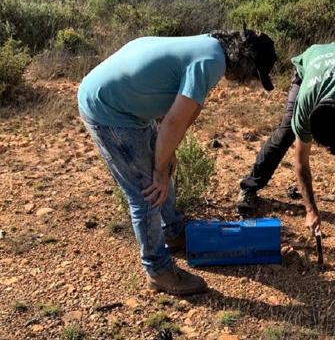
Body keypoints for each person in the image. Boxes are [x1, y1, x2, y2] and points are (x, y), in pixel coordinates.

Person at [78, 29, 277, 295]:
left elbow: (181, 109)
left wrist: (167, 154)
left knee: (162, 171)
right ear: (247, 62)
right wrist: (159, 170)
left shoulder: (210, 46)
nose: (248, 81)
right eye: (254, 75)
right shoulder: (210, 62)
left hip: (126, 103)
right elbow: (173, 122)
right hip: (109, 110)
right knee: (147, 192)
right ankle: (158, 271)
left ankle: (172, 231)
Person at [236, 42, 335, 234]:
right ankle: (250, 186)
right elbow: (301, 163)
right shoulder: (304, 107)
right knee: (286, 133)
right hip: (311, 67)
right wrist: (310, 210)